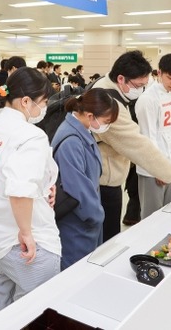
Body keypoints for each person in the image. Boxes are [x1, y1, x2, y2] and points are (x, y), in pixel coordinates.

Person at [0, 67, 60, 320]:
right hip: (25, 244)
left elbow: (1, 174)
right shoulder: (31, 135)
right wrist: (26, 233)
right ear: (26, 101)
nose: (44, 108)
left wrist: (45, 183)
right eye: (43, 101)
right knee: (29, 317)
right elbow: (19, 190)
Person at [92, 51, 171, 241]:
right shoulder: (109, 101)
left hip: (116, 172)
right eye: (138, 86)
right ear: (121, 79)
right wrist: (167, 172)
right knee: (113, 233)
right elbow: (138, 141)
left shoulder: (109, 86)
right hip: (106, 176)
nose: (141, 90)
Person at [52, 89, 119, 269]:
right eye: (106, 122)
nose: (106, 126)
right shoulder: (71, 141)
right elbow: (77, 189)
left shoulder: (82, 130)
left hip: (86, 220)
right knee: (76, 273)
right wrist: (97, 215)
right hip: (76, 225)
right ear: (90, 116)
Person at [135, 53, 171, 220]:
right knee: (151, 216)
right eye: (170, 77)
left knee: (169, 212)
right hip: (153, 168)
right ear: (159, 73)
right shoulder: (147, 99)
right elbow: (148, 137)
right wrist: (158, 169)